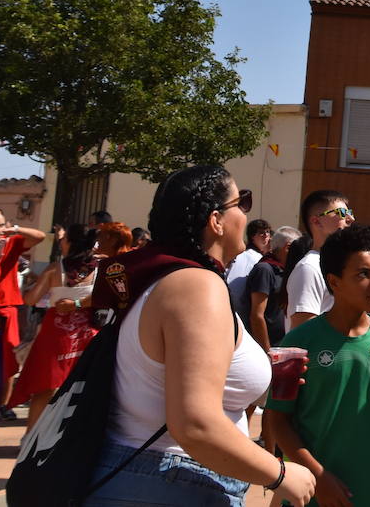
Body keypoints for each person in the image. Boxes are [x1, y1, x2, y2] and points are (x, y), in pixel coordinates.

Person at [79, 165, 315, 506]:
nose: (247, 214)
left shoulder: (167, 279)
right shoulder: (196, 287)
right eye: (242, 202)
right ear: (216, 220)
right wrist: (279, 472)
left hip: (156, 479)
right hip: (168, 482)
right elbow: (195, 424)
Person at [268, 224, 370, 507]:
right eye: (363, 274)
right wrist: (318, 475)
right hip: (313, 496)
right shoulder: (295, 343)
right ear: (334, 282)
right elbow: (278, 421)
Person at [9, 224, 99, 432]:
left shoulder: (54, 268)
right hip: (87, 335)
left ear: (70, 243)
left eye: (64, 238)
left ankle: (30, 438)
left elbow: (31, 299)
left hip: (55, 335)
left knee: (44, 386)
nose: (61, 241)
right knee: (81, 388)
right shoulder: (100, 269)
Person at [0, 207, 46, 415]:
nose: (0, 228)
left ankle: (4, 405)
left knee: (7, 359)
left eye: (2, 224)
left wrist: (13, 230)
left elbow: (40, 236)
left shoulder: (12, 243)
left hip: (6, 307)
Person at [288, 189, 355, 328]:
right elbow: (303, 333)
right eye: (342, 213)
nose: (351, 219)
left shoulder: (340, 264)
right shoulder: (309, 268)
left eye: (350, 213)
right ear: (316, 221)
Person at [245, 225, 300, 351]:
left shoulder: (284, 271)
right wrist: (267, 351)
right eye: (297, 250)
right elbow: (257, 315)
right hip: (270, 350)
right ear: (288, 247)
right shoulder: (265, 270)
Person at [225, 218, 271, 317]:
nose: (266, 236)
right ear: (252, 237)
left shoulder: (247, 255)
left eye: (268, 232)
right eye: (262, 233)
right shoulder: (254, 258)